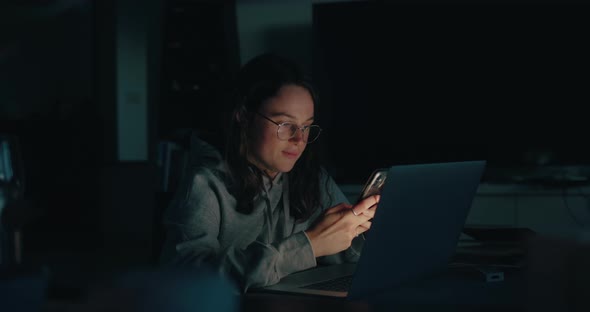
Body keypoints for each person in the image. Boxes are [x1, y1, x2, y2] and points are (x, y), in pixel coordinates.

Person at [159, 53, 379, 292]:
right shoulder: (206, 184)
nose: (299, 139)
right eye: (285, 124)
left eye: (306, 126)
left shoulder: (312, 177)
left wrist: (358, 231)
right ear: (243, 116)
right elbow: (185, 275)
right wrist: (309, 247)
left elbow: (349, 257)